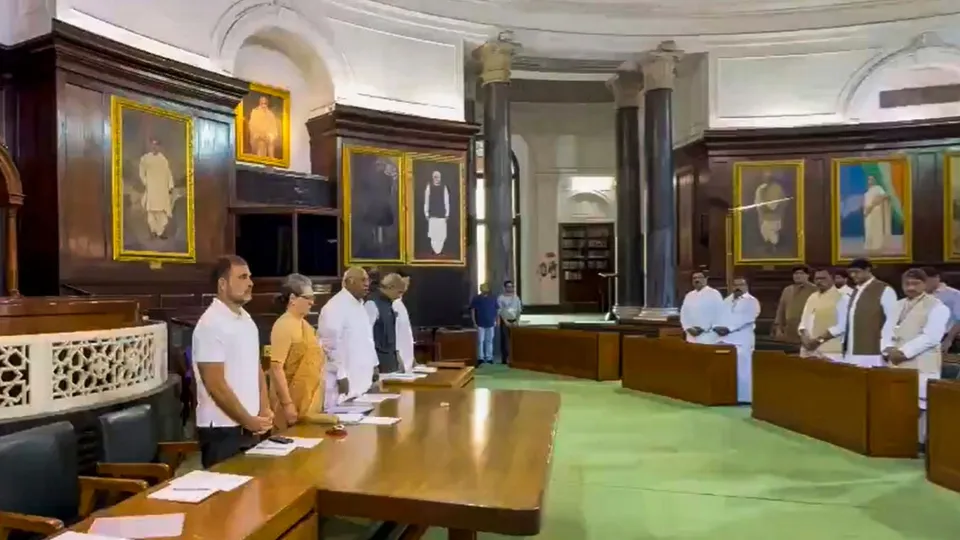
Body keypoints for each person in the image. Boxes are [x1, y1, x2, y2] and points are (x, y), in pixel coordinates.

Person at [192, 256, 272, 468]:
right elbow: (215, 385)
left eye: (250, 277)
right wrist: (248, 420)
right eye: (243, 277)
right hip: (222, 430)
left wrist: (264, 409)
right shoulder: (210, 324)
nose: (250, 283)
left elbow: (256, 368)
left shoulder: (246, 319)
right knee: (226, 499)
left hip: (250, 426)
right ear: (222, 284)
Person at [881, 268, 950, 446]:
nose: (911, 287)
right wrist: (887, 348)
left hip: (921, 362)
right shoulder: (898, 304)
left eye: (915, 283)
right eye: (907, 284)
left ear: (925, 284)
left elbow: (931, 337)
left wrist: (903, 352)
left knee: (921, 406)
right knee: (898, 403)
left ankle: (921, 444)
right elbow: (887, 330)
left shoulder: (937, 306)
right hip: (895, 362)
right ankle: (901, 441)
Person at [268, 274, 337, 430]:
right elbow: (276, 368)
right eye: (308, 298)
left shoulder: (305, 325)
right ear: (293, 298)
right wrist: (288, 404)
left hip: (310, 403)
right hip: (291, 404)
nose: (312, 302)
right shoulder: (283, 325)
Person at [318, 267, 378, 406]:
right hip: (344, 382)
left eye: (368, 280)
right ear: (349, 282)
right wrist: (341, 375)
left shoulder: (360, 305)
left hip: (362, 380)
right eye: (363, 280)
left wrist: (374, 364)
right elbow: (329, 345)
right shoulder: (335, 306)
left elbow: (367, 339)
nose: (367, 284)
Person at [824, 258, 898, 367]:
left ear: (867, 270)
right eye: (850, 273)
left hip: (874, 351)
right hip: (851, 349)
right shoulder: (855, 291)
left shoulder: (884, 289)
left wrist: (886, 346)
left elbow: (891, 320)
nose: (853, 275)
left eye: (856, 272)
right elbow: (847, 323)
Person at [714, 277, 761, 403]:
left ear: (746, 286)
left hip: (742, 339)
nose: (738, 287)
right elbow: (718, 315)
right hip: (725, 339)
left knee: (743, 369)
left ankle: (745, 398)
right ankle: (728, 396)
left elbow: (748, 318)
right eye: (735, 285)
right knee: (727, 369)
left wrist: (729, 328)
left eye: (741, 284)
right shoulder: (727, 300)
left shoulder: (752, 301)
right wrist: (716, 327)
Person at [797, 268, 845, 361]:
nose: (819, 281)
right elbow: (804, 321)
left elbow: (841, 326)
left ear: (832, 278)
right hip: (808, 349)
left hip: (830, 350)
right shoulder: (812, 296)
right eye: (817, 279)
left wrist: (818, 341)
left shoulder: (842, 298)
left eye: (823, 278)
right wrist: (805, 339)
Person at [364, 273, 407, 374]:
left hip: (390, 362)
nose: (399, 297)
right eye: (399, 292)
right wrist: (373, 364)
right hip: (379, 364)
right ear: (391, 287)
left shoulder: (389, 304)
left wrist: (397, 357)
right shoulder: (372, 304)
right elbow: (366, 337)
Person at [138, 138, 175, 238]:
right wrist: (146, 183)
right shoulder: (145, 159)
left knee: (161, 211)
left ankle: (161, 232)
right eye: (152, 145)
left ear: (159, 147)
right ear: (150, 146)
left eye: (156, 145)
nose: (154, 147)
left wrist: (170, 186)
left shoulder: (163, 159)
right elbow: (142, 172)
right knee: (151, 211)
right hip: (152, 188)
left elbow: (168, 173)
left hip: (162, 188)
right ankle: (153, 231)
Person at [772, 266, 816, 343]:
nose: (798, 276)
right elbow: (781, 310)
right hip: (789, 329)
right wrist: (778, 328)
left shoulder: (814, 289)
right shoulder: (787, 290)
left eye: (801, 273)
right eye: (795, 273)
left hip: (807, 330)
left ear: (808, 275)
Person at [679, 271, 724, 345]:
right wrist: (688, 328)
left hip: (708, 336)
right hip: (691, 336)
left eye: (699, 277)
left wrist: (704, 328)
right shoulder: (689, 295)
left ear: (706, 279)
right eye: (694, 278)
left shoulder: (714, 294)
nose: (697, 280)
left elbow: (720, 314)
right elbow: (683, 314)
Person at [921, 266, 960, 353]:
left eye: (925, 281)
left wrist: (948, 340)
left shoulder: (954, 294)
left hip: (946, 338)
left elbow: (959, 319)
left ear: (936, 278)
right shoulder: (919, 294)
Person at [754, 171, 786, 252]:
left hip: (774, 216)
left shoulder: (776, 188)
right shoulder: (761, 188)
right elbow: (758, 201)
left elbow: (773, 205)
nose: (766, 178)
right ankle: (769, 246)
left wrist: (765, 207)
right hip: (763, 215)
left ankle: (773, 247)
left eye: (768, 177)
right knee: (764, 230)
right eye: (765, 177)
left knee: (770, 230)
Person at [470, 283, 498, 364]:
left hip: (490, 323)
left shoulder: (493, 298)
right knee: (480, 341)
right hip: (480, 323)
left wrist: (496, 320)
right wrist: (474, 322)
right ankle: (480, 358)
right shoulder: (476, 298)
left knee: (489, 341)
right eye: (482, 289)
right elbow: (473, 311)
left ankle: (489, 357)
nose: (484, 291)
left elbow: (497, 310)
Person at [423, 170, 451, 255]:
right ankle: (435, 250)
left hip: (441, 214)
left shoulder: (444, 187)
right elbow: (426, 201)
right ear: (432, 178)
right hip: (432, 214)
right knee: (433, 234)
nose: (436, 178)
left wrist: (447, 213)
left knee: (441, 234)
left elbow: (447, 201)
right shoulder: (429, 187)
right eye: (435, 177)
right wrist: (426, 213)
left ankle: (439, 250)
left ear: (440, 178)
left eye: (438, 177)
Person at [863, 175, 891, 252]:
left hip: (876, 211)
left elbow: (886, 195)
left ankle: (877, 246)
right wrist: (866, 211)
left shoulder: (878, 188)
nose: (870, 181)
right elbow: (865, 204)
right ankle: (870, 245)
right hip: (868, 213)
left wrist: (876, 201)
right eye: (868, 179)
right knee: (869, 229)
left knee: (876, 228)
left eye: (871, 179)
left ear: (874, 180)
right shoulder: (867, 192)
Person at [394, 271, 415, 373]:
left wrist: (413, 358)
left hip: (407, 357)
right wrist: (397, 358)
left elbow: (407, 333)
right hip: (399, 359)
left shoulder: (401, 304)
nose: (405, 287)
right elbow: (393, 334)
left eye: (407, 284)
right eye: (403, 283)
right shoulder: (392, 304)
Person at [497, 280, 522, 364]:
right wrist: (505, 321)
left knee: (514, 340)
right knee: (505, 341)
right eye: (508, 286)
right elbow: (500, 311)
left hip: (514, 321)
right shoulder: (501, 298)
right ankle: (505, 359)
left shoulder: (516, 298)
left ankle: (514, 358)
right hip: (505, 321)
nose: (510, 288)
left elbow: (518, 310)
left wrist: (517, 321)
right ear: (505, 288)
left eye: (511, 286)